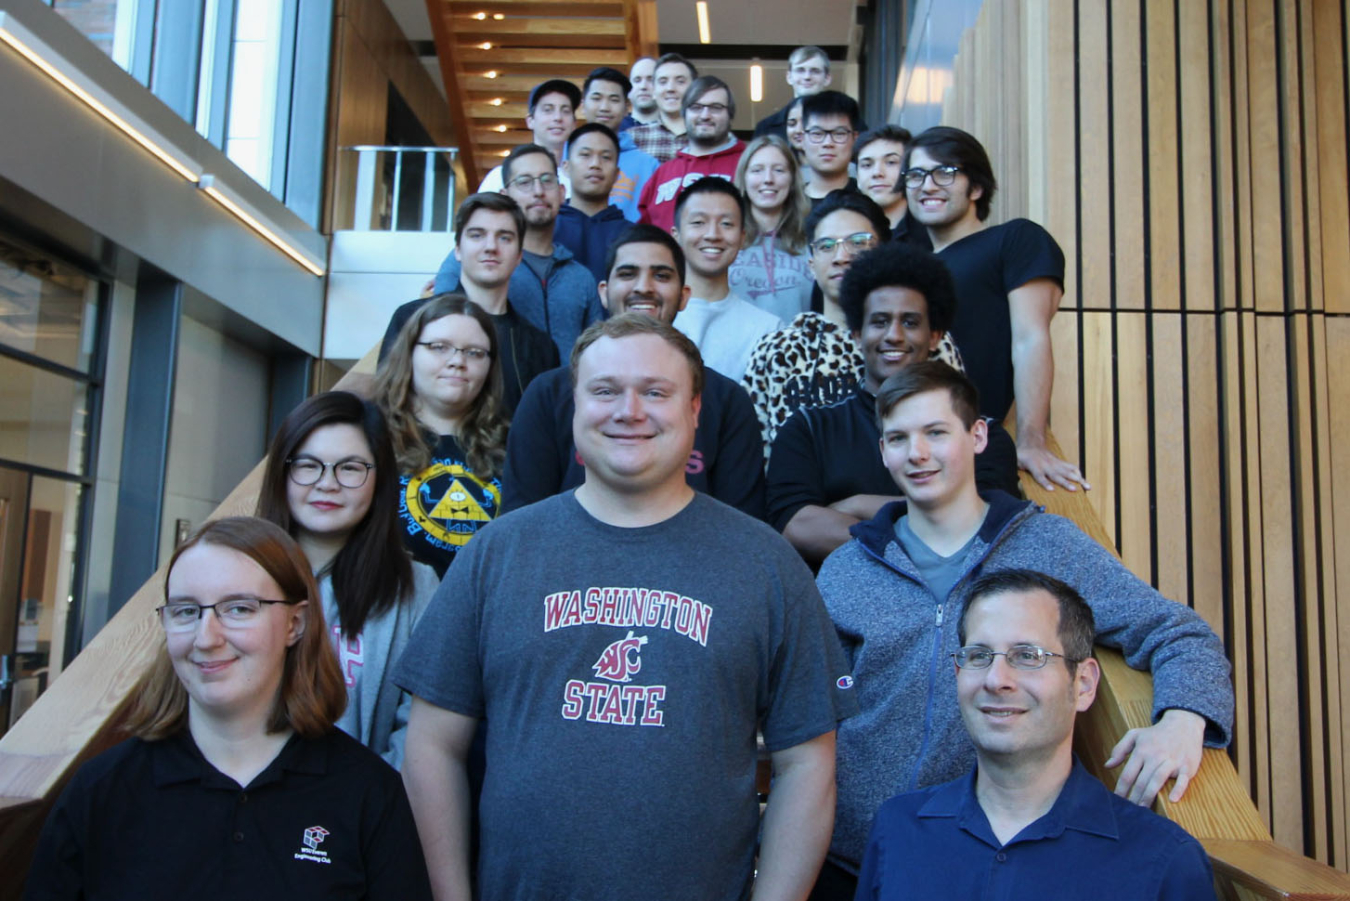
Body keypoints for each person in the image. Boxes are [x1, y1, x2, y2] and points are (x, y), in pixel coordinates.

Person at [395, 313, 856, 901]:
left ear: (695, 412)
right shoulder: (498, 552)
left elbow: (807, 765)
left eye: (655, 392)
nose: (629, 411)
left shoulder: (768, 565)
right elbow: (432, 744)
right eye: (605, 390)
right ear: (575, 407)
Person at [813, 362, 1233, 899]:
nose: (916, 453)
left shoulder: (1050, 545)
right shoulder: (848, 567)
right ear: (882, 451)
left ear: (978, 435)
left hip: (990, 859)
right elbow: (817, 705)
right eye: (898, 438)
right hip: (856, 854)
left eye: (936, 432)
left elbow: (1179, 631)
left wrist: (1184, 718)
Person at [24, 517, 432, 901]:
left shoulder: (367, 791)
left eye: (239, 608)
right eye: (186, 611)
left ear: (296, 623)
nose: (206, 637)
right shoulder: (101, 790)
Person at [855, 570, 1217, 900]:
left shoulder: (1162, 859)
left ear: (1084, 684)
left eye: (1027, 655)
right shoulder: (897, 830)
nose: (996, 680)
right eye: (979, 655)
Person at [767, 244, 1015, 566]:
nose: (894, 335)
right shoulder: (808, 428)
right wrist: (924, 536)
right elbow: (795, 525)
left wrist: (855, 505)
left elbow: (981, 522)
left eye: (910, 322)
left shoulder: (982, 434)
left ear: (935, 335)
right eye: (880, 322)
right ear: (857, 334)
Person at [502, 224, 765, 519]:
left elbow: (742, 530)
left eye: (661, 275)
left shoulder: (728, 400)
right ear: (604, 291)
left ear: (684, 295)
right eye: (627, 274)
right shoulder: (547, 394)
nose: (644, 287)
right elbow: (520, 525)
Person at [255, 391, 440, 768]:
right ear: (282, 472)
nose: (327, 483)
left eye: (351, 468)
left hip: (361, 811)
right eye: (308, 465)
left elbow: (420, 729)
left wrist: (365, 803)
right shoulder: (237, 573)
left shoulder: (418, 587)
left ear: (380, 480)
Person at [905, 125, 1089, 493]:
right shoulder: (909, 267)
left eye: (945, 172)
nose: (927, 185)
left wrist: (1031, 440)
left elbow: (1030, 337)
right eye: (916, 175)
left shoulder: (1014, 239)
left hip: (975, 440)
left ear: (975, 187)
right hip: (912, 443)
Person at [741, 192, 960, 457]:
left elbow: (955, 436)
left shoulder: (924, 338)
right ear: (810, 264)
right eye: (826, 245)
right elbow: (754, 449)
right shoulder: (777, 350)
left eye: (858, 242)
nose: (842, 256)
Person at [374, 295, 509, 577]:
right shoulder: (369, 436)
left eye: (474, 352)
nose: (457, 361)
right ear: (409, 352)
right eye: (439, 347)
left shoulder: (515, 445)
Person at [389, 193, 557, 414]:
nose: (490, 247)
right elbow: (389, 405)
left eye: (504, 238)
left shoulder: (540, 347)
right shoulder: (411, 318)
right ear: (457, 249)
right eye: (477, 235)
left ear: (519, 256)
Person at [432, 149, 603, 359]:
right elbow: (438, 328)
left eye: (547, 180)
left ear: (561, 193)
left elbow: (596, 353)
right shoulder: (472, 261)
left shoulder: (581, 277)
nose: (538, 191)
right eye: (524, 182)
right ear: (505, 196)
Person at [669, 177, 783, 381]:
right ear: (676, 235)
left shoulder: (768, 331)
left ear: (742, 238)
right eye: (698, 222)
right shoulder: (656, 319)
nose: (713, 234)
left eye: (726, 224)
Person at [638, 75, 746, 232]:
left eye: (715, 107)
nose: (705, 115)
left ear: (730, 115)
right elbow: (644, 234)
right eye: (696, 107)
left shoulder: (749, 165)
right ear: (684, 114)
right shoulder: (662, 173)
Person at [729, 135, 815, 321]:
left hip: (797, 348)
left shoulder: (812, 239)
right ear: (743, 178)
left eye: (778, 170)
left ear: (792, 179)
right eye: (757, 170)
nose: (768, 179)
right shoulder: (726, 240)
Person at [578, 66, 660, 220]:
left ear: (626, 108)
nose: (604, 107)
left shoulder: (648, 165)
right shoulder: (566, 154)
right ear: (583, 105)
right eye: (596, 98)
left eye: (614, 99)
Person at [555, 123, 631, 282]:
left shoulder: (632, 235)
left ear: (617, 174)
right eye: (585, 155)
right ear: (566, 167)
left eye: (606, 157)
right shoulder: (548, 229)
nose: (595, 164)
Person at [476, 79, 579, 195]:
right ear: (530, 121)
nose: (558, 118)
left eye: (565, 111)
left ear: (574, 124)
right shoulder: (499, 177)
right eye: (548, 110)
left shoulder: (580, 181)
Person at [854, 124, 930, 249]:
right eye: (867, 165)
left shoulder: (930, 232)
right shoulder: (847, 232)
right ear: (857, 176)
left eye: (891, 162)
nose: (877, 173)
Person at [754, 46, 833, 142]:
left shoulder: (845, 123)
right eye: (800, 70)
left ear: (827, 78)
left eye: (815, 71)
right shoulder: (766, 128)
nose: (807, 76)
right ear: (789, 77)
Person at [628, 52, 697, 162]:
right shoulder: (631, 138)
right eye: (663, 82)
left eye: (680, 81)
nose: (670, 88)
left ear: (695, 90)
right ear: (654, 91)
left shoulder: (708, 136)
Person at [801, 91, 861, 207]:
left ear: (855, 139)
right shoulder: (788, 204)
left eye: (839, 133)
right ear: (803, 139)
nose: (828, 143)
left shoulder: (868, 199)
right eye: (817, 133)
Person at [622, 56, 658, 130]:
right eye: (637, 80)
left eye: (650, 80)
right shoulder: (616, 129)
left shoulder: (676, 129)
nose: (643, 86)